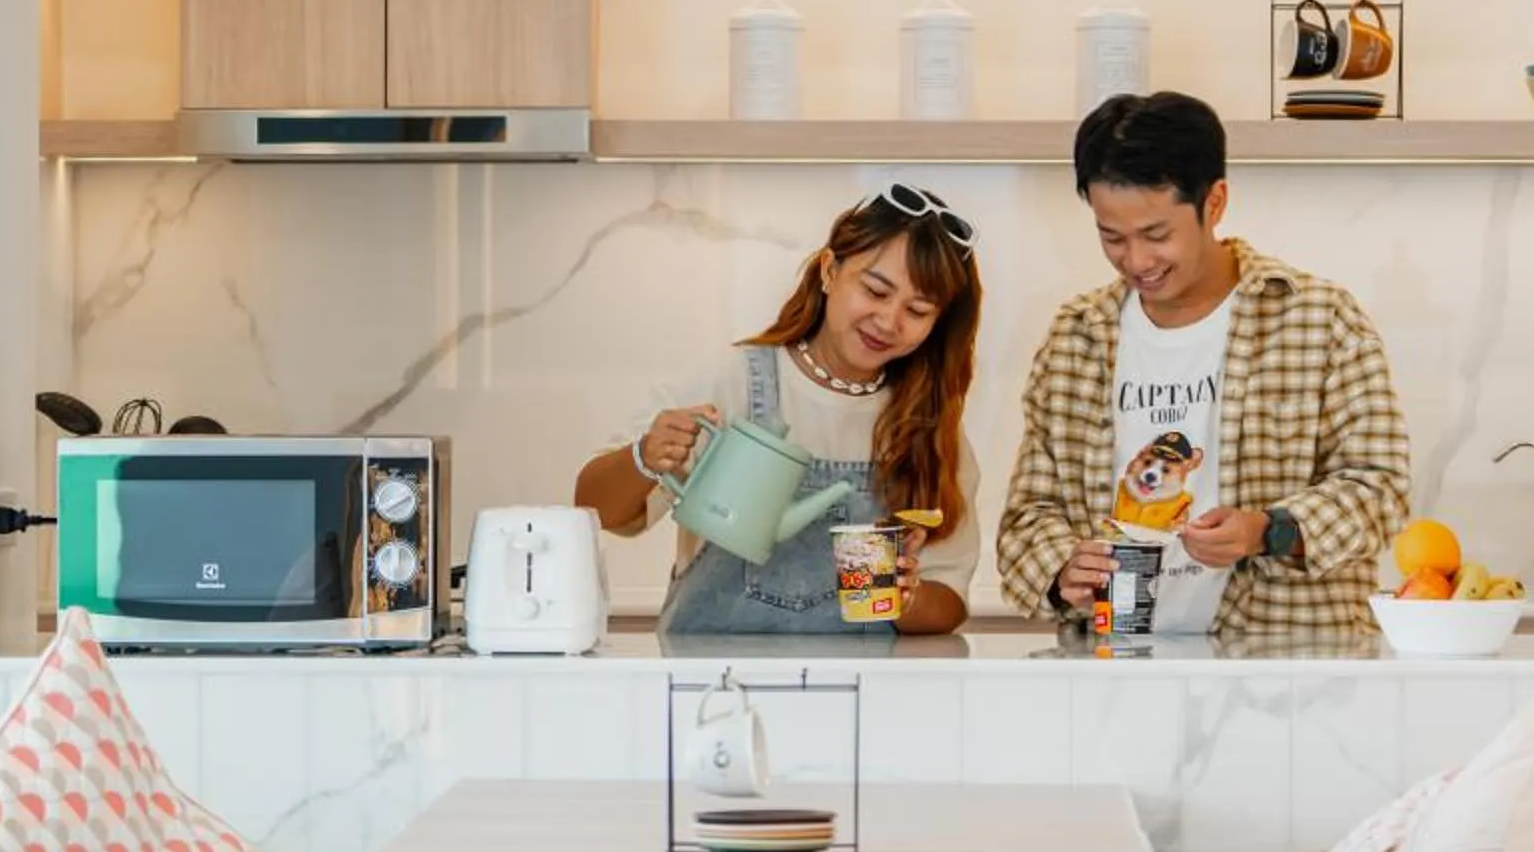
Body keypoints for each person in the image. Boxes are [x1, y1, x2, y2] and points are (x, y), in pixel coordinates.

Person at [998, 93, 1411, 640]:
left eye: (1156, 235)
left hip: (1288, 672)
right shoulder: (1078, 336)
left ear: (1214, 203)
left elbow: (1381, 489)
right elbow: (1029, 514)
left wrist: (1269, 530)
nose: (1136, 261)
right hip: (1113, 668)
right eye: (1111, 237)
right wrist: (1061, 567)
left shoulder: (1318, 318)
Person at [575, 185, 983, 638]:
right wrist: (644, 458)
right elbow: (595, 509)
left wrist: (902, 597)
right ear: (830, 271)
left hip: (861, 695)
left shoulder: (927, 423)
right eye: (875, 290)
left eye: (918, 310)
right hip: (716, 691)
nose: (889, 321)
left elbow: (949, 598)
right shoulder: (735, 382)